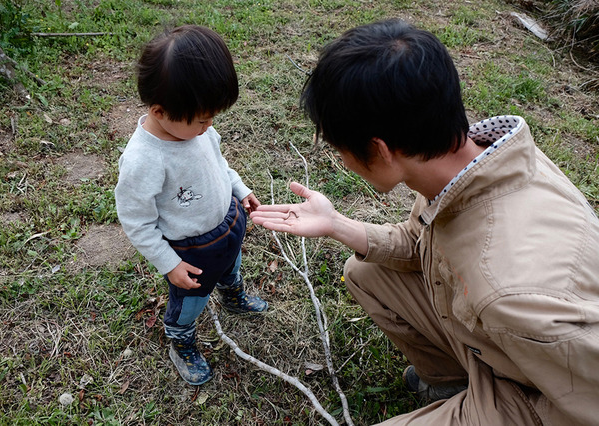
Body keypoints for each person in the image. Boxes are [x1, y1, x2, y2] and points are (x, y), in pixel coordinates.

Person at [250, 19, 599, 425]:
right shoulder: (473, 162)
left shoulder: (509, 291)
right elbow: (420, 243)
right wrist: (335, 225)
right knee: (366, 272)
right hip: (503, 346)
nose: (341, 160)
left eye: (338, 147)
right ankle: (454, 383)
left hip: (539, 397)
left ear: (379, 150)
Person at [115, 25, 268, 386]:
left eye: (212, 117)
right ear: (159, 110)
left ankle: (234, 295)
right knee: (190, 304)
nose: (209, 126)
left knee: (231, 266)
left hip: (228, 224)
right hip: (192, 254)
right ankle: (180, 340)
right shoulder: (143, 161)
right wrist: (169, 264)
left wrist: (240, 189)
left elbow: (219, 164)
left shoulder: (197, 127)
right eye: (203, 120)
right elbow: (137, 222)